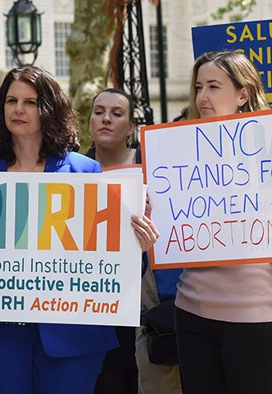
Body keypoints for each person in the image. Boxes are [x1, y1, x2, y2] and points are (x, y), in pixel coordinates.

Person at [0, 67, 159, 394]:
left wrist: (139, 245)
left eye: (30, 102)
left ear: (48, 108)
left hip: (70, 338)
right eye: (11, 100)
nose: (18, 109)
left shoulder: (85, 171)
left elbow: (111, 264)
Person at [175, 50, 272, 393]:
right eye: (199, 86)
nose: (202, 97)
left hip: (255, 316)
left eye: (214, 86)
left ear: (242, 93)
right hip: (191, 312)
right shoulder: (177, 148)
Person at [86, 88, 181, 394]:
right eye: (99, 111)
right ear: (89, 120)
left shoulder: (155, 164)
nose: (106, 119)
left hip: (147, 296)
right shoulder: (74, 171)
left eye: (117, 113)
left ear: (130, 126)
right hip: (95, 296)